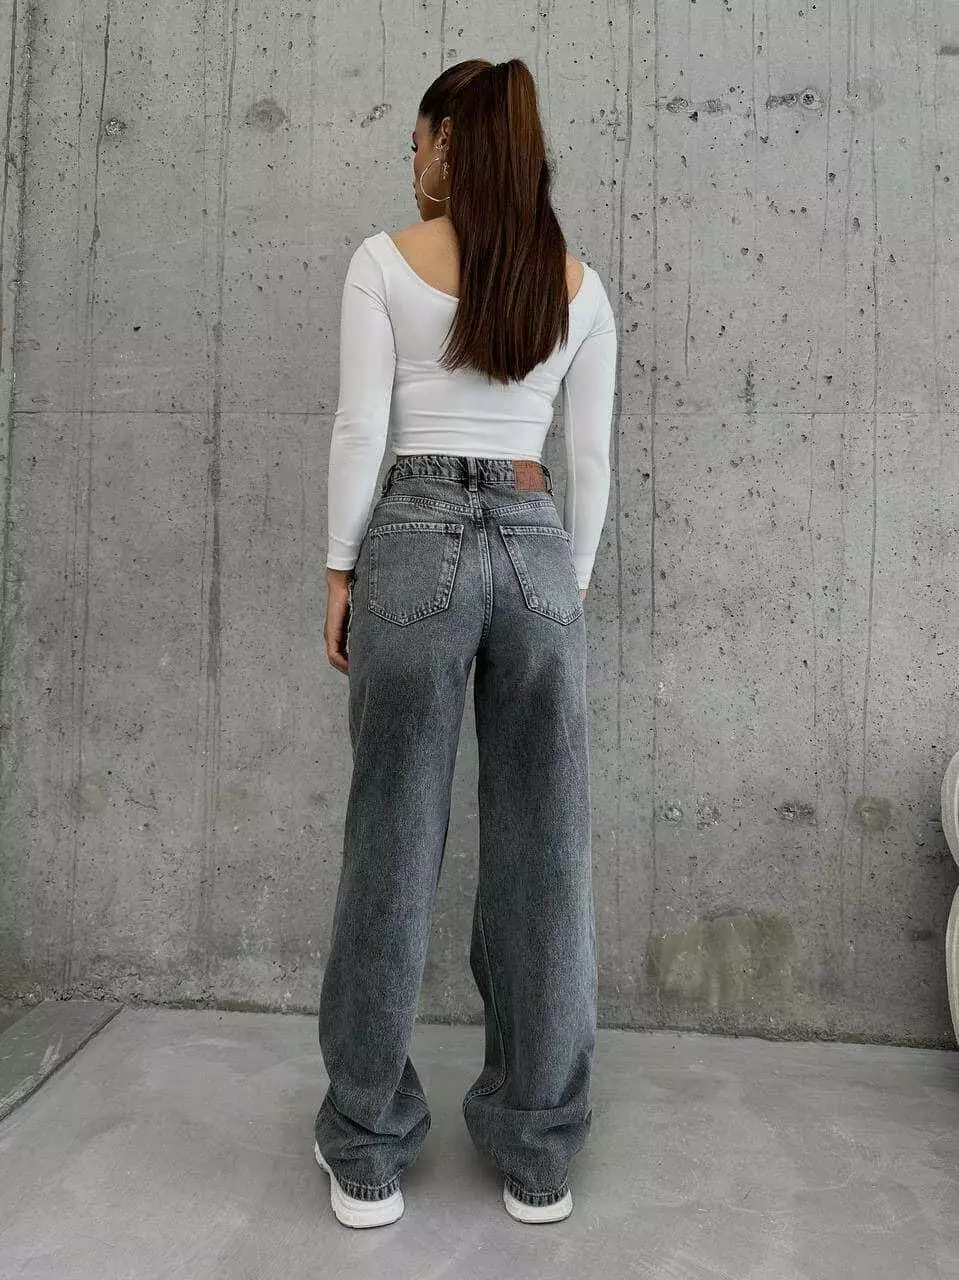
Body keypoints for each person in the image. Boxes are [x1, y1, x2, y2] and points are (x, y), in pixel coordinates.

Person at [314, 57, 617, 1229]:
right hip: (538, 546)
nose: (410, 163)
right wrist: (565, 586)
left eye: (414, 141)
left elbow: (360, 427)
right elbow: (589, 460)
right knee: (545, 854)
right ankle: (538, 1155)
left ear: (448, 140)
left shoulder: (382, 262)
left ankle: (367, 1151)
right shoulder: (575, 283)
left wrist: (339, 568)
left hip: (412, 540)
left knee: (390, 844)